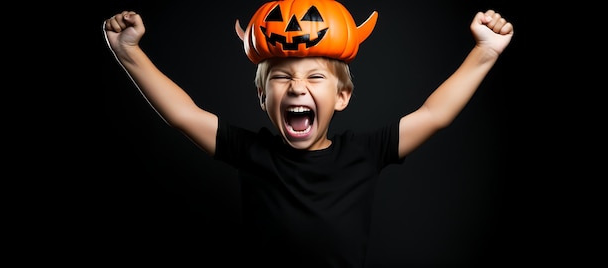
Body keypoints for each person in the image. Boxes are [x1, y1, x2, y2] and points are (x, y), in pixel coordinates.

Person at [103, 1, 513, 267]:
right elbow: (182, 114)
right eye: (282, 78)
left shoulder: (366, 151)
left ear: (342, 97)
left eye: (315, 77)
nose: (297, 87)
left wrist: (485, 52)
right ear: (263, 96)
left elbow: (435, 114)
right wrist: (129, 52)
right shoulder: (250, 151)